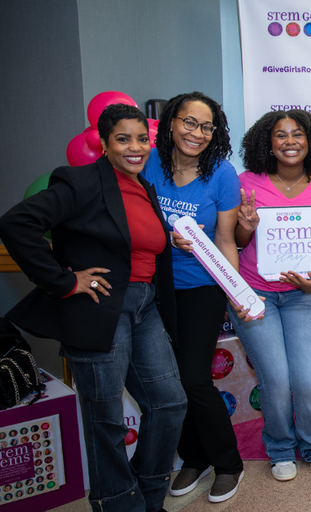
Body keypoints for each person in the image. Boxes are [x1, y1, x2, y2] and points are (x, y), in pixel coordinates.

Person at [0, 104, 186, 512]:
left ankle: (146, 495)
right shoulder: (80, 181)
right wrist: (65, 281)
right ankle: (118, 503)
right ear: (104, 143)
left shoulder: (144, 186)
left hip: (145, 306)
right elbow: (15, 223)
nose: (135, 147)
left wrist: (170, 239)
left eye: (142, 139)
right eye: (123, 139)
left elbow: (131, 241)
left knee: (169, 403)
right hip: (101, 307)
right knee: (106, 417)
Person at [142, 92, 244, 502]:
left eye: (206, 127)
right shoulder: (148, 162)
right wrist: (167, 237)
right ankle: (194, 457)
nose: (197, 133)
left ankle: (229, 463)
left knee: (193, 377)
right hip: (153, 289)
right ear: (170, 123)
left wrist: (235, 290)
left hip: (202, 288)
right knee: (167, 382)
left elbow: (226, 239)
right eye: (189, 122)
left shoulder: (222, 174)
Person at [232, 109, 311, 481]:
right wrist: (246, 226)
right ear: (268, 143)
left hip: (301, 296)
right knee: (276, 380)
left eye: (297, 134)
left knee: (310, 381)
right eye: (281, 135)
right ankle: (280, 450)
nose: (289, 141)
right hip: (256, 293)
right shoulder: (247, 182)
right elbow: (237, 241)